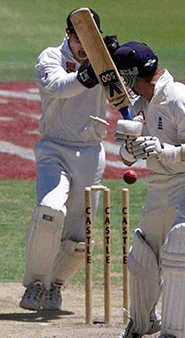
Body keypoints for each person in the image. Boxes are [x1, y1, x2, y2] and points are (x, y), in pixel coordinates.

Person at [112, 41, 185, 338]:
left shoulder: (178, 97)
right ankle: (143, 321)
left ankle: (173, 337)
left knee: (182, 242)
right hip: (162, 182)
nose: (120, 83)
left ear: (134, 74)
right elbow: (126, 154)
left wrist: (164, 151)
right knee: (143, 255)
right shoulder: (139, 103)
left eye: (123, 76)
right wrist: (130, 150)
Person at [20, 8, 119, 311]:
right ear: (69, 35)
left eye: (90, 40)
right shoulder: (49, 57)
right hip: (54, 148)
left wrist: (119, 64)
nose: (83, 46)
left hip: (91, 152)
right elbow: (59, 87)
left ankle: (55, 286)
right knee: (50, 210)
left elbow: (121, 97)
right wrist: (89, 72)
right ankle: (36, 284)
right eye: (78, 38)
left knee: (79, 236)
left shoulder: (103, 63)